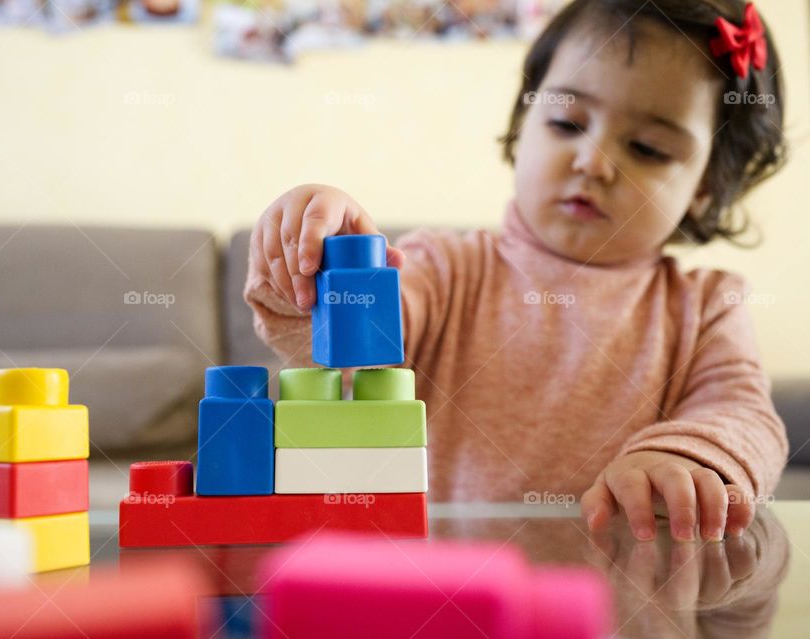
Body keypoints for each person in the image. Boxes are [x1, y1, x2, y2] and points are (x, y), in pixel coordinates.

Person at [244, 0, 789, 542]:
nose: (593, 163)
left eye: (647, 147)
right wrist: (310, 270)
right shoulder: (445, 269)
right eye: (566, 122)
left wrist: (684, 460)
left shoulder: (707, 306)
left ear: (705, 187)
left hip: (620, 612)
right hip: (449, 597)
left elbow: (746, 417)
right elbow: (340, 360)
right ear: (522, 123)